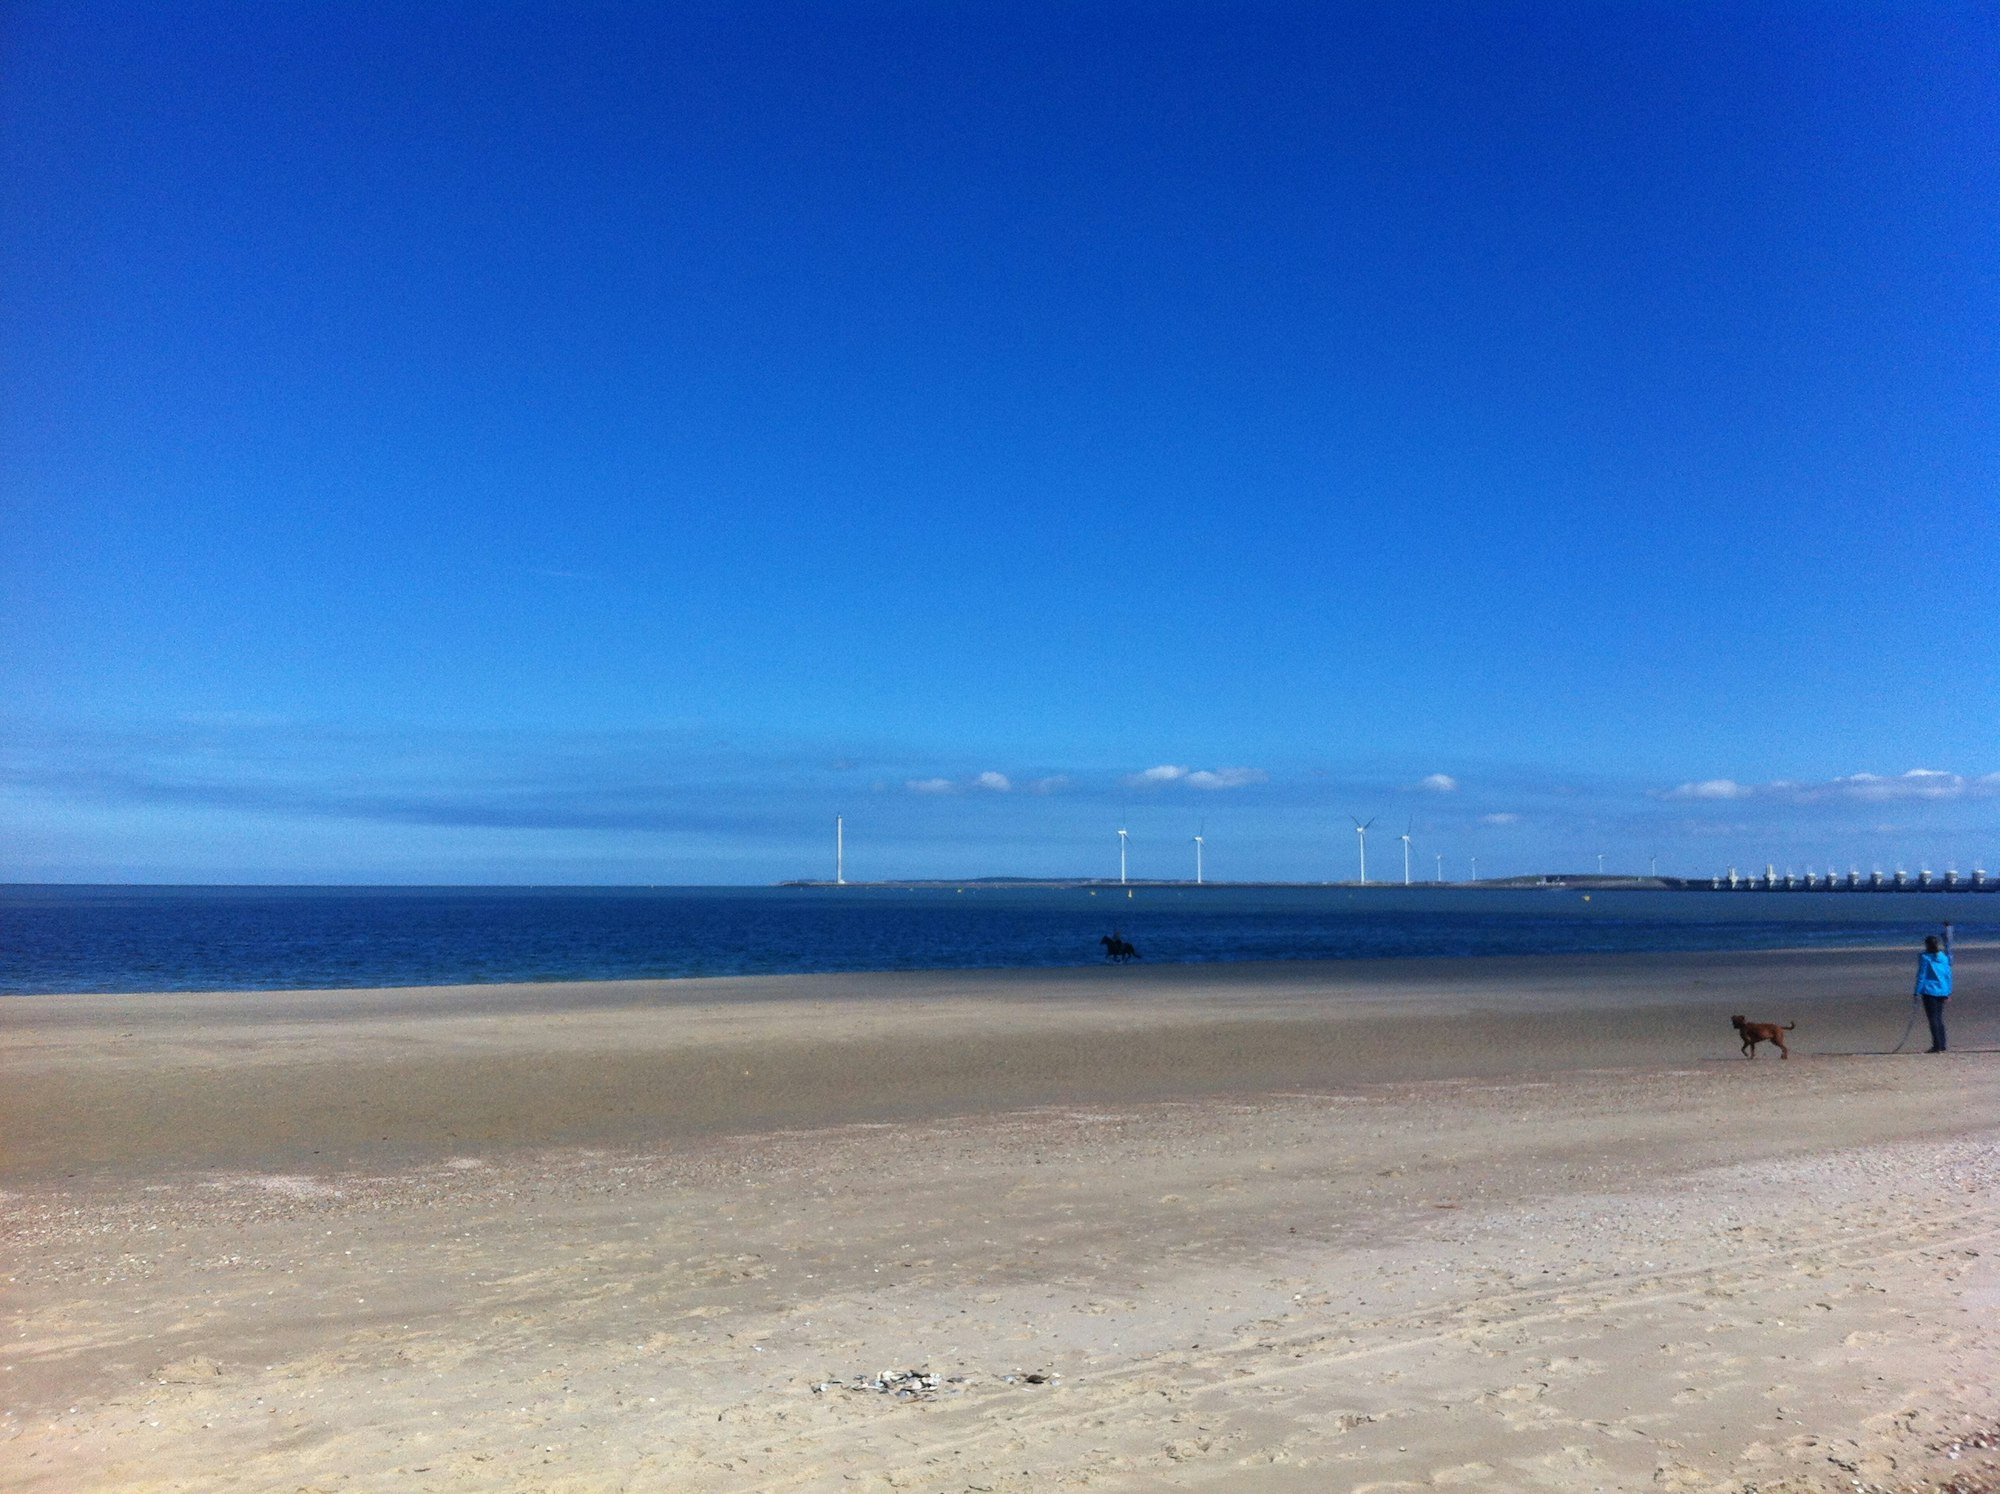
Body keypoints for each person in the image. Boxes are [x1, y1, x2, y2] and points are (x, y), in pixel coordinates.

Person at [1915, 934, 1952, 1053]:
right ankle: (1942, 1044)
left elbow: (1922, 975)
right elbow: (1948, 975)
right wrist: (1948, 991)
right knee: (1938, 1018)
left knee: (1933, 1019)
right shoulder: (1944, 957)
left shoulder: (1925, 957)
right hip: (1942, 990)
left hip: (1929, 990)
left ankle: (1937, 1045)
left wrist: (1917, 991)